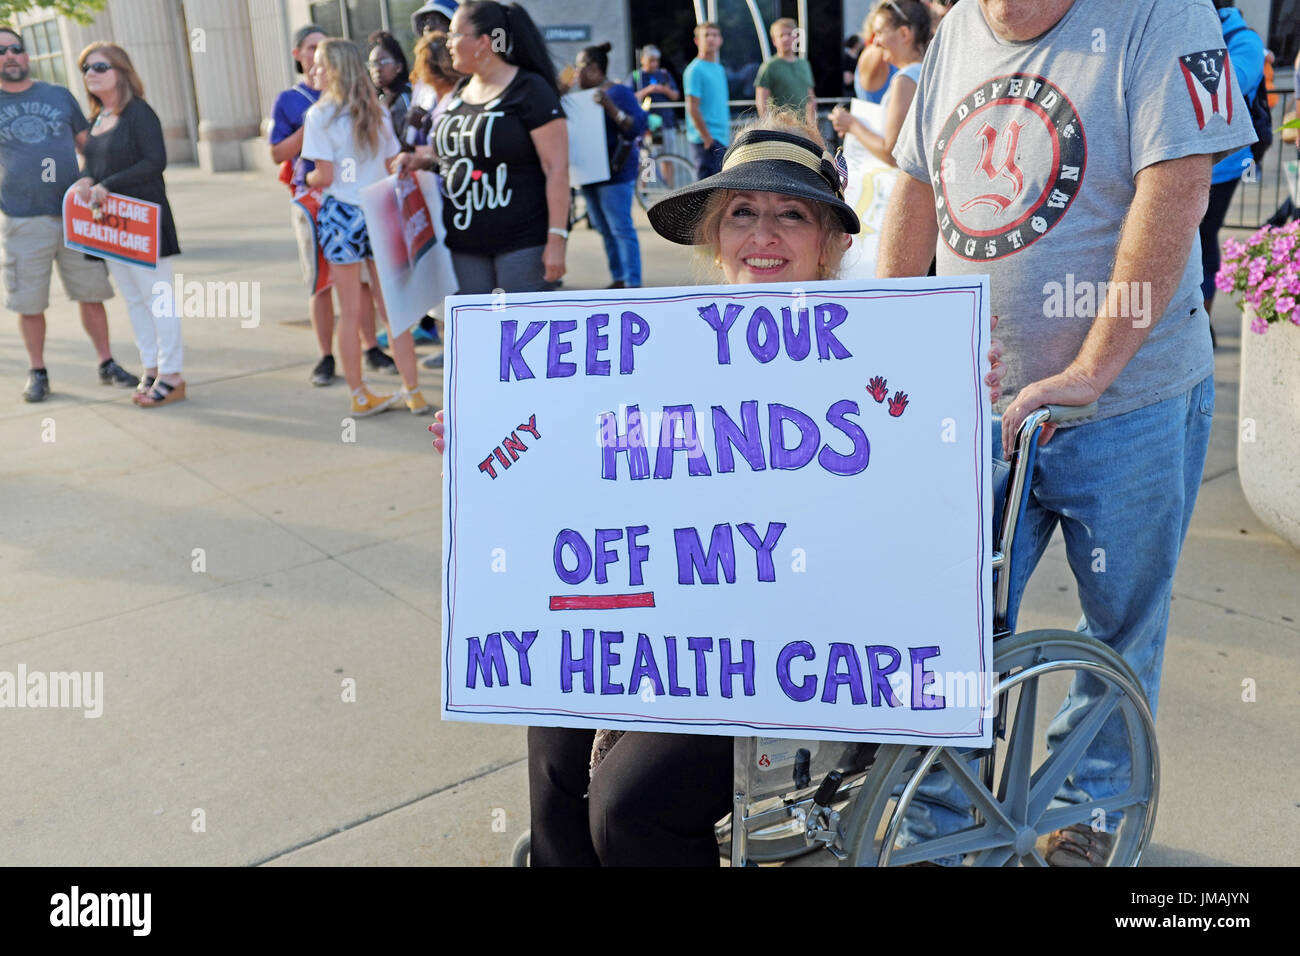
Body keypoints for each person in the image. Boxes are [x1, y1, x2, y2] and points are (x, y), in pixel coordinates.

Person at [878, 0, 1255, 866]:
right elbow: (916, 185)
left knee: (1118, 620)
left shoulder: (1161, 15)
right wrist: (896, 342)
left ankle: (1090, 806)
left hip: (1129, 401)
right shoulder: (961, 30)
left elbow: (1179, 187)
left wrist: (1091, 369)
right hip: (977, 407)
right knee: (951, 617)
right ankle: (940, 811)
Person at [430, 112, 862, 865]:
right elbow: (575, 462)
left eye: (791, 214)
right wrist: (484, 438)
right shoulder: (658, 344)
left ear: (828, 240)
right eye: (743, 214)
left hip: (793, 645)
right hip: (668, 619)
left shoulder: (873, 349)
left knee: (632, 808)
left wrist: (951, 393)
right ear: (715, 236)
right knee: (552, 723)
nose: (763, 235)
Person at [0, 25, 135, 403]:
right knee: (29, 302)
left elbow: (88, 145)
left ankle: (106, 362)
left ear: (26, 56)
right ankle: (38, 371)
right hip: (24, 220)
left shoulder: (58, 96)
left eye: (16, 48)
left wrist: (103, 179)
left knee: (92, 293)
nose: (9, 56)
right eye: (1, 51)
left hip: (75, 215)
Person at [302, 39, 430, 417]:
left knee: (351, 311)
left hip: (342, 214)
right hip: (378, 207)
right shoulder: (376, 109)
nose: (314, 71)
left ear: (336, 70)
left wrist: (306, 179)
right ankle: (413, 391)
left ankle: (359, 395)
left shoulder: (319, 115)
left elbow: (323, 176)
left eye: (321, 65)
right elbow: (393, 162)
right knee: (394, 307)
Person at [269, 24, 397, 387]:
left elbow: (330, 171)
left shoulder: (358, 107)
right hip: (315, 205)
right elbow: (277, 153)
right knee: (321, 284)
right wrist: (312, 131)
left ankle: (370, 352)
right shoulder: (292, 102)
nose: (315, 60)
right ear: (298, 54)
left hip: (347, 206)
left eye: (322, 53)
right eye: (310, 50)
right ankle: (327, 357)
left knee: (364, 287)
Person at [427, 1, 568, 294]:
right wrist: (418, 160)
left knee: (519, 334)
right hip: (463, 242)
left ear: (483, 42)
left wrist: (557, 240)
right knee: (476, 335)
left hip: (521, 243)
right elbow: (455, 154)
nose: (447, 43)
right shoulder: (460, 91)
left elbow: (556, 167)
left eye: (453, 35)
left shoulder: (530, 90)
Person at [74, 42, 184, 408]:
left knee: (158, 298)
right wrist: (87, 180)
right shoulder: (97, 119)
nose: (91, 74)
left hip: (145, 222)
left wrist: (109, 185)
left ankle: (172, 374)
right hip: (111, 228)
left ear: (121, 70)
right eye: (86, 68)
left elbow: (156, 160)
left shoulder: (139, 113)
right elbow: (94, 165)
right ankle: (151, 367)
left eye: (100, 66)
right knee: (135, 300)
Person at [1199, 1, 1266, 332]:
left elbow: (1224, 85)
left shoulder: (1245, 41)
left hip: (1223, 168)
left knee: (1202, 239)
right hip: (1188, 161)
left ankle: (1202, 322)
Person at [574, 43, 648, 289]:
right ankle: (619, 277)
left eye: (579, 67)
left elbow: (637, 126)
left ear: (594, 69)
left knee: (621, 228)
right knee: (605, 230)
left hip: (615, 174)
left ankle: (632, 282)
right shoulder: (582, 97)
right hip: (590, 174)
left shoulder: (618, 93)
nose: (576, 73)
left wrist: (609, 107)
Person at [831, 0, 930, 167]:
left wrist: (851, 124)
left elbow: (892, 154)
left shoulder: (905, 79)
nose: (875, 42)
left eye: (879, 32)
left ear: (904, 34)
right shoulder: (929, 71)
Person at [683, 22, 730, 179]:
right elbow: (692, 108)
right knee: (706, 197)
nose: (711, 38)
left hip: (721, 139)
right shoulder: (694, 70)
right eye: (706, 35)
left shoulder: (719, 68)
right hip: (706, 142)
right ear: (697, 40)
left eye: (715, 35)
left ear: (721, 40)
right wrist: (707, 139)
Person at [754, 18, 816, 129]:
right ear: (774, 41)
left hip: (804, 128)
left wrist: (813, 127)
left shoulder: (804, 64)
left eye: (789, 34)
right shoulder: (769, 66)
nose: (786, 38)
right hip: (781, 128)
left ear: (796, 37)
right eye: (781, 35)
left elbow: (810, 98)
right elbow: (761, 100)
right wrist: (768, 128)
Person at [628, 45, 682, 157]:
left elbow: (676, 96)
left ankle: (666, 176)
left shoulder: (664, 74)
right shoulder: (635, 76)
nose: (654, 64)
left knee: (668, 157)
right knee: (648, 158)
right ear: (642, 60)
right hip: (647, 124)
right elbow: (629, 98)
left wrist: (663, 90)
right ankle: (652, 175)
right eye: (651, 60)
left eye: (656, 60)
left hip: (666, 122)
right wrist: (648, 90)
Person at [367, 31, 412, 141]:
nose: (377, 69)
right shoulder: (375, 98)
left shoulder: (407, 98)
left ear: (398, 66)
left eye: (383, 62)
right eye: (372, 64)